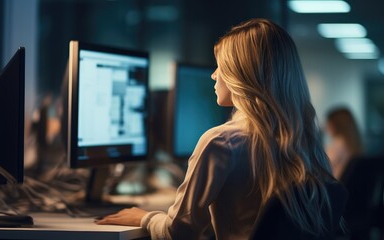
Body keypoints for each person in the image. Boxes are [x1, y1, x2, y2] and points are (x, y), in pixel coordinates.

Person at [96, 18, 339, 239]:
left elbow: (178, 232)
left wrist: (145, 217)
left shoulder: (222, 142)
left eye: (220, 66)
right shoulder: (304, 141)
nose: (213, 75)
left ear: (240, 75)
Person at [324, 107, 363, 180]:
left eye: (328, 123)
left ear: (335, 125)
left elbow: (322, 170)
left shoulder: (336, 147)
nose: (325, 127)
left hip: (336, 187)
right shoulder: (355, 144)